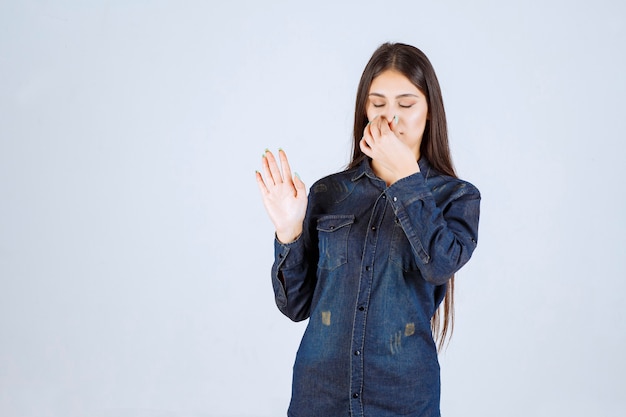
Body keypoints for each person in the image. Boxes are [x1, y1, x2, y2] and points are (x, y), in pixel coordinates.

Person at [255, 42, 480, 417]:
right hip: (319, 397)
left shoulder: (455, 196)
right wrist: (289, 231)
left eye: (406, 104)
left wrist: (406, 177)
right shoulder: (328, 193)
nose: (391, 118)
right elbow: (296, 306)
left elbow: (440, 265)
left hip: (404, 398)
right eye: (378, 104)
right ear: (364, 111)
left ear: (429, 113)